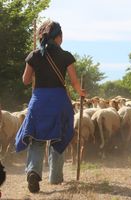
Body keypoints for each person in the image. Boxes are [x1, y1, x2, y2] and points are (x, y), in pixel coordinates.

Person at [15, 20, 85, 193]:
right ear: (58, 37)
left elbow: (25, 81)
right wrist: (81, 93)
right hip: (59, 101)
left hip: (39, 100)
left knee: (36, 139)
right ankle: (55, 177)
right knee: (58, 138)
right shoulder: (66, 56)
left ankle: (33, 171)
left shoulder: (34, 55)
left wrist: (35, 71)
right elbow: (75, 83)